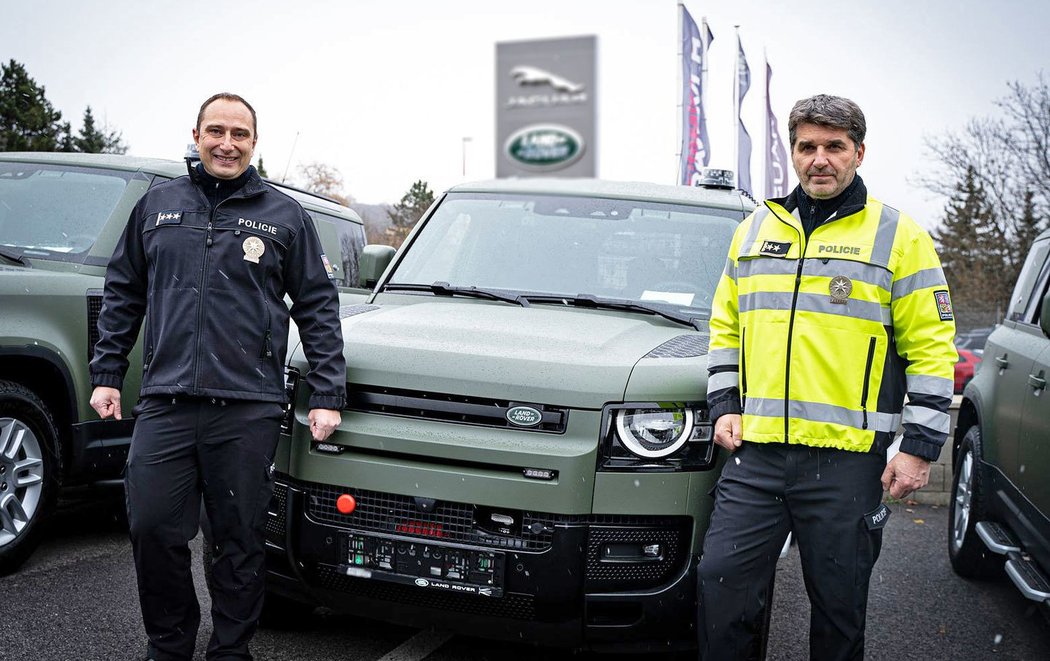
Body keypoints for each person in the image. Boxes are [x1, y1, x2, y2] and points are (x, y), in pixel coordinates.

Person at [89, 92, 346, 661]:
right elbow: (123, 293)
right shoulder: (157, 207)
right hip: (166, 401)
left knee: (239, 540)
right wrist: (108, 371)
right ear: (197, 134)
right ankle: (170, 644)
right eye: (216, 131)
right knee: (152, 528)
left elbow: (317, 306)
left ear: (255, 143)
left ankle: (231, 651)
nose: (226, 144)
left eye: (239, 134)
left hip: (248, 407)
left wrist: (327, 391)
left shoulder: (284, 217)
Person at [699, 94, 957, 660]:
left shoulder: (899, 237)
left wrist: (918, 448)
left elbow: (933, 350)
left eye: (834, 147)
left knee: (839, 612)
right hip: (758, 456)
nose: (820, 159)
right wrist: (725, 406)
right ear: (792, 152)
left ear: (858, 153)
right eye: (807, 146)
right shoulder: (752, 231)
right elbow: (725, 327)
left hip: (846, 463)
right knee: (720, 587)